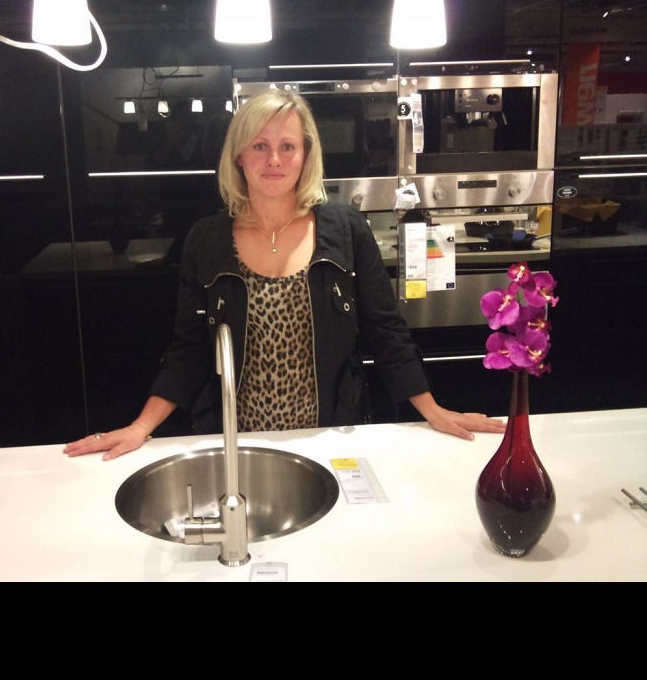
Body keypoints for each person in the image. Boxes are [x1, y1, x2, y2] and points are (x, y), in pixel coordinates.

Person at [64, 90, 505, 461]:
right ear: (239, 156)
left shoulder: (346, 230)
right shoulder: (206, 240)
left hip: (330, 439)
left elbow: (386, 331)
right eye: (259, 146)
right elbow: (191, 349)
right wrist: (141, 427)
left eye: (288, 146)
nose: (274, 159)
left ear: (306, 154)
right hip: (238, 446)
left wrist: (432, 410)